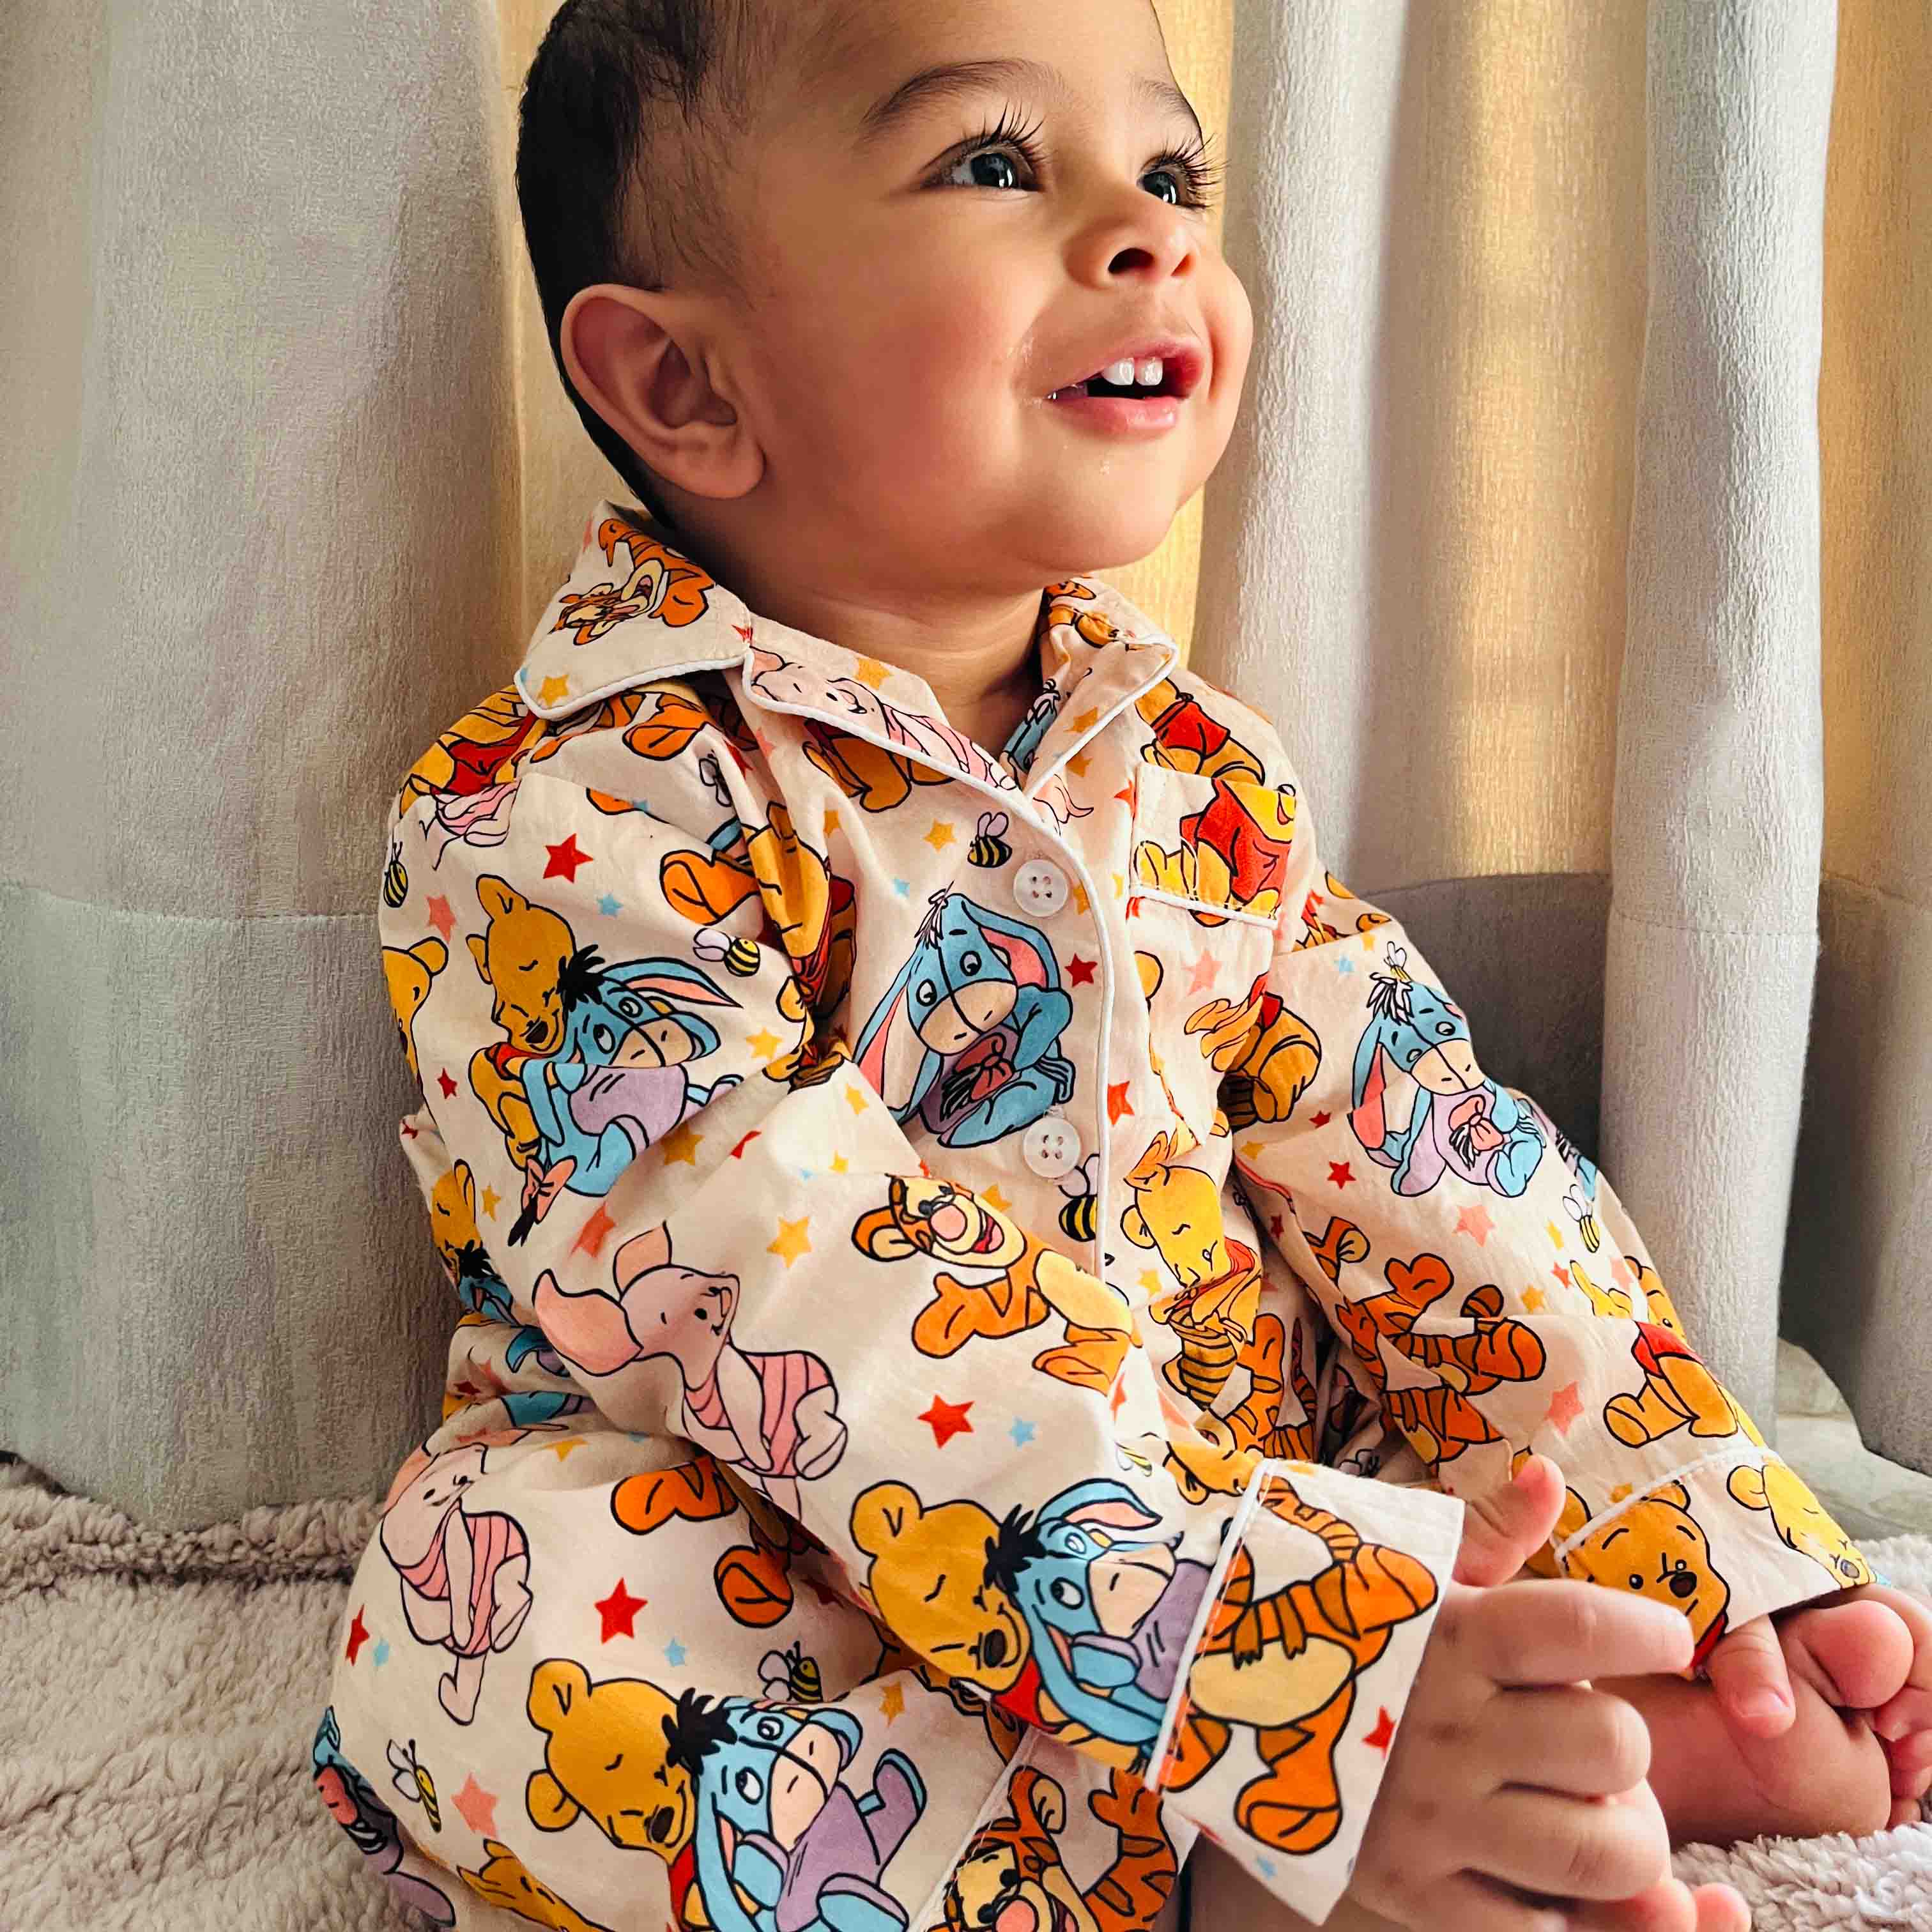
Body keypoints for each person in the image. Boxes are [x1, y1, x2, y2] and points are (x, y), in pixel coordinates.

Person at [311, 3, 1932, 1928]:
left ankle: (1512, 1710)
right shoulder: (560, 813)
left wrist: (1712, 1535)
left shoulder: (1194, 770)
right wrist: (1255, 1657)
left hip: (1236, 1475)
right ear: (684, 382)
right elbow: (781, 1281)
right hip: (787, 1538)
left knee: (1449, 1345)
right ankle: (1179, 1866)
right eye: (997, 164)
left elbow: (1429, 1158)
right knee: (469, 1608)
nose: (1150, 232)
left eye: (1172, 174)